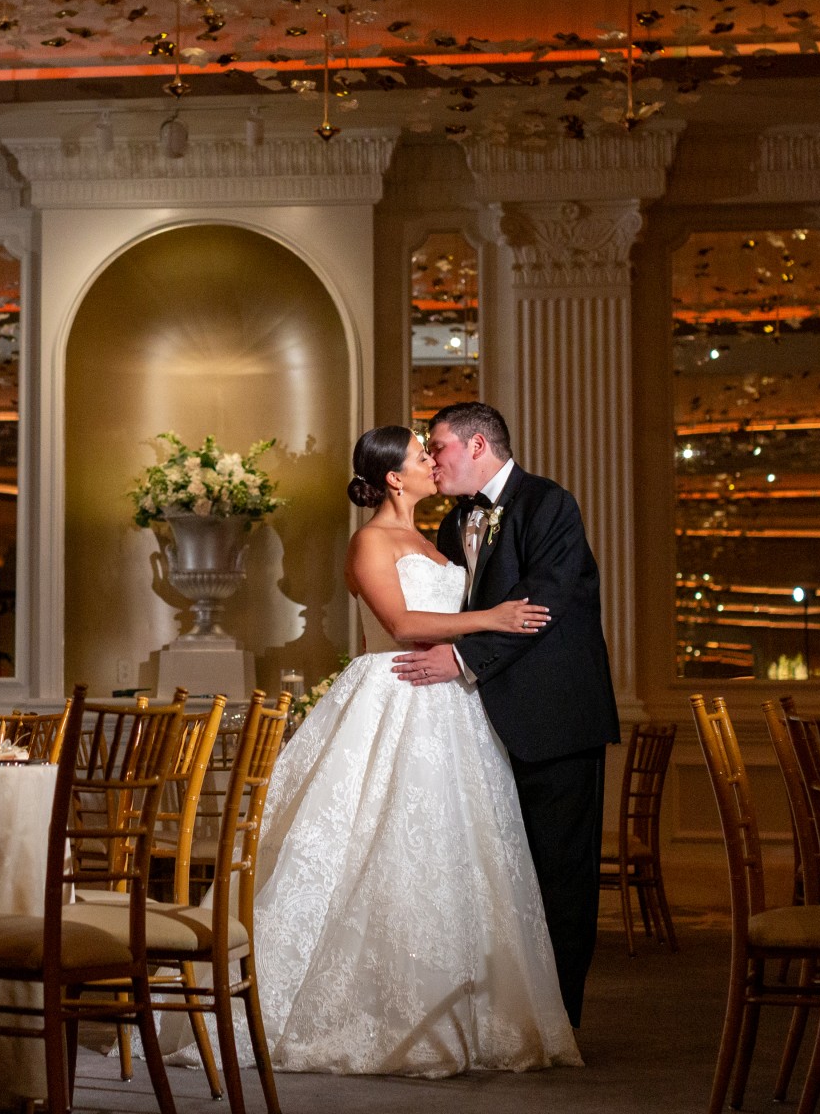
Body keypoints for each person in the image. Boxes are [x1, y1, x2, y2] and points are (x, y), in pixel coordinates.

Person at [248, 425, 581, 1076]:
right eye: (422, 457)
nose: (435, 463)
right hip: (394, 694)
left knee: (461, 852)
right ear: (395, 478)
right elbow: (400, 625)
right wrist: (492, 618)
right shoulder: (370, 541)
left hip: (454, 708)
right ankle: (377, 1010)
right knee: (380, 844)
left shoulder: (436, 541)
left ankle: (470, 1012)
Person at [391, 401, 620, 1027]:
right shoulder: (450, 526)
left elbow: (539, 608)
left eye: (437, 448)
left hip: (554, 721)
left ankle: (558, 1025)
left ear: (476, 445)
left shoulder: (549, 505)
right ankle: (505, 1019)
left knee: (559, 878)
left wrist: (461, 660)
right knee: (497, 880)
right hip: (476, 727)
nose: (433, 461)